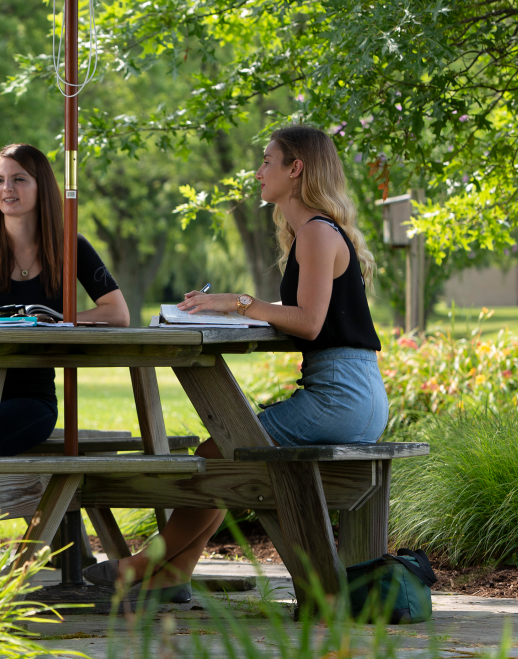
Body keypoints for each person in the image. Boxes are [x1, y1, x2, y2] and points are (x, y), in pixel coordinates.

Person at [83, 125, 387, 598]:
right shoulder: (316, 233)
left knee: (219, 451)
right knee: (225, 446)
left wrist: (239, 303)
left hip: (341, 397)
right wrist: (241, 309)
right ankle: (169, 576)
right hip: (352, 392)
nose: (259, 171)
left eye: (268, 161)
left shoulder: (316, 234)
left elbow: (308, 322)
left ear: (296, 168)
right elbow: (311, 319)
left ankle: (146, 566)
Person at [0, 144, 129, 456]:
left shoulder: (71, 245)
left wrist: (61, 320)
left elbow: (118, 312)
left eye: (19, 179)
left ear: (42, 187)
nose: (6, 188)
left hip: (33, 397)